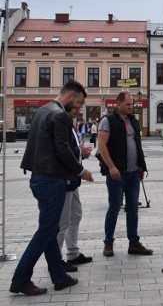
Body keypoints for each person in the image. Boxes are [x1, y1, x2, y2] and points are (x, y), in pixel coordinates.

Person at [10, 81, 93, 296]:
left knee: (51, 229)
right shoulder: (59, 115)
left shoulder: (43, 110)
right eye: (80, 102)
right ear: (69, 97)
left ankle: (59, 276)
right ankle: (20, 279)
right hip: (52, 180)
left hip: (39, 178)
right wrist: (81, 171)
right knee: (46, 231)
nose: (80, 107)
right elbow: (63, 150)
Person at [98, 91, 152, 257]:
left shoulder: (133, 121)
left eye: (132, 104)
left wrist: (141, 166)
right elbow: (101, 145)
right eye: (128, 104)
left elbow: (138, 145)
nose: (131, 107)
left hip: (133, 173)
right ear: (118, 103)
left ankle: (134, 243)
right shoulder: (108, 121)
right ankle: (108, 243)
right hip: (117, 173)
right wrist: (111, 167)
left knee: (133, 209)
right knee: (114, 208)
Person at [57, 104, 93, 271]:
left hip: (73, 179)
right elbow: (62, 153)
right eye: (76, 108)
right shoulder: (61, 122)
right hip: (65, 179)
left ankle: (73, 254)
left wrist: (81, 154)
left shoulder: (71, 124)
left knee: (76, 214)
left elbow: (71, 151)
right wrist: (81, 169)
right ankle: (56, 259)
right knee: (62, 221)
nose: (79, 111)